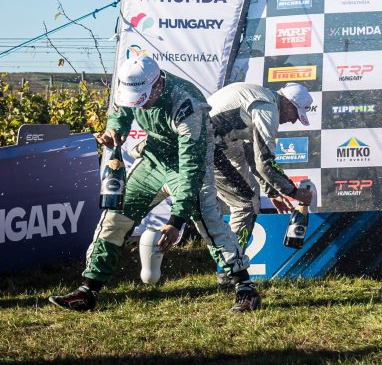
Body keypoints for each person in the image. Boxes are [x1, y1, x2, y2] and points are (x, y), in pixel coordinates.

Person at [49, 56, 261, 313]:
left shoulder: (187, 105)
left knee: (209, 223)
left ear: (158, 84)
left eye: (144, 99)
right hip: (154, 160)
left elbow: (191, 169)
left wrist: (176, 220)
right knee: (115, 217)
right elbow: (121, 113)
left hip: (189, 164)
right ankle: (87, 290)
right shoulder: (130, 85)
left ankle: (245, 287)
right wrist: (115, 130)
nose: (141, 105)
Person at [204, 81, 315, 285]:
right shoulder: (267, 108)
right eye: (295, 114)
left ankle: (230, 263)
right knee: (246, 204)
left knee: (249, 198)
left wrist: (272, 192)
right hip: (206, 143)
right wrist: (294, 192)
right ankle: (230, 270)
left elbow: (252, 153)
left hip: (218, 139)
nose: (293, 121)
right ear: (287, 103)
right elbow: (265, 162)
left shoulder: (263, 97)